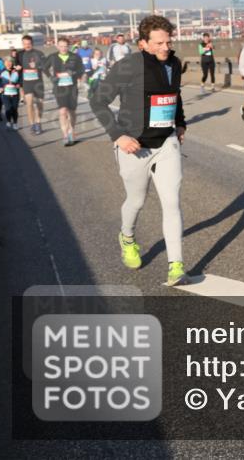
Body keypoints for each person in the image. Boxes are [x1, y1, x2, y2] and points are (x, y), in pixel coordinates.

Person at [89, 14, 190, 287]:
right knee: (136, 201)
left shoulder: (175, 63)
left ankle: (176, 266)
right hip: (135, 146)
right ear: (143, 43)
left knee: (171, 202)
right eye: (158, 43)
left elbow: (174, 94)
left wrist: (180, 123)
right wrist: (118, 135)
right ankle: (127, 237)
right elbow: (98, 100)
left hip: (166, 143)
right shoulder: (128, 66)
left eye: (168, 42)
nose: (165, 48)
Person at [43, 37, 86, 146]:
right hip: (59, 87)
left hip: (72, 88)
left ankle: (72, 131)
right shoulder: (53, 57)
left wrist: (75, 73)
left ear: (69, 46)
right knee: (62, 111)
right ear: (57, 46)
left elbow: (81, 70)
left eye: (65, 46)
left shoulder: (75, 57)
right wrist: (51, 77)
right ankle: (65, 135)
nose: (63, 48)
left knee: (71, 112)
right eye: (61, 46)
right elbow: (44, 68)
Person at [17, 34, 46, 134]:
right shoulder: (19, 54)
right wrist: (17, 68)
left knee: (39, 104)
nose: (27, 46)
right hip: (27, 83)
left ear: (32, 43)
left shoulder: (39, 53)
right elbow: (16, 66)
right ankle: (32, 124)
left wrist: (37, 65)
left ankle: (38, 123)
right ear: (22, 44)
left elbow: (45, 66)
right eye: (25, 44)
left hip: (38, 83)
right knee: (29, 104)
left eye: (28, 44)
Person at [0, 58, 21, 130]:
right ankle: (8, 122)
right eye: (7, 62)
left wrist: (19, 84)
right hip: (5, 94)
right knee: (8, 108)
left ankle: (15, 123)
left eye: (10, 62)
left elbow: (21, 80)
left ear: (12, 63)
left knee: (14, 109)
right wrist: (0, 87)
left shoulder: (17, 71)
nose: (8, 63)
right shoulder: (1, 72)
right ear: (4, 63)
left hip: (15, 93)